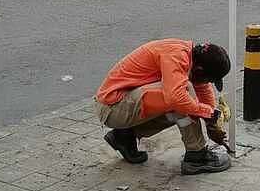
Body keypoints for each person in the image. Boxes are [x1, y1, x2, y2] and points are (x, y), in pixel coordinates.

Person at [94, 39, 231, 175]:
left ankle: (125, 136)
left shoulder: (192, 60)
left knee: (183, 102)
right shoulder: (176, 56)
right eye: (209, 79)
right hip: (112, 107)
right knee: (182, 96)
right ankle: (197, 156)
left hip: (123, 104)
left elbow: (203, 90)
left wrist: (212, 126)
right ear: (200, 70)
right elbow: (177, 98)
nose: (207, 83)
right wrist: (207, 113)